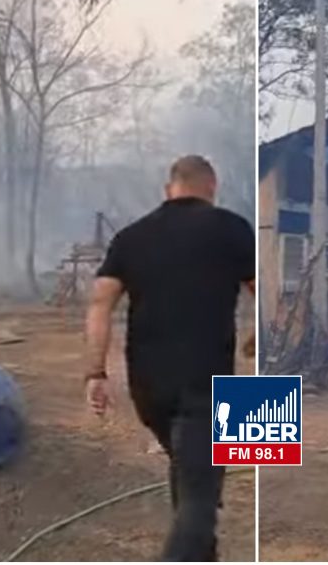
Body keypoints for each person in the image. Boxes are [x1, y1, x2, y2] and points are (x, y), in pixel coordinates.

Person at [84, 155, 254, 561]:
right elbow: (264, 291)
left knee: (193, 475)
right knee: (200, 496)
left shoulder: (130, 237)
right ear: (212, 188)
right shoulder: (230, 227)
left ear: (168, 189)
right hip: (208, 384)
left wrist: (95, 372)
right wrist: (260, 337)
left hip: (149, 389)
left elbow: (99, 304)